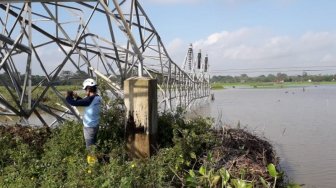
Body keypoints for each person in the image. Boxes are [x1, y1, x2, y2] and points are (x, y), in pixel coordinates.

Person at [66, 78, 102, 150]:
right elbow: (85, 102)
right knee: (94, 145)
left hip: (89, 128)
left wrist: (68, 96)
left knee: (90, 148)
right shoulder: (97, 97)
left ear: (88, 89)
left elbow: (74, 103)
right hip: (95, 126)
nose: (85, 91)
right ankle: (98, 158)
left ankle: (92, 161)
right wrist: (77, 97)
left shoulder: (90, 99)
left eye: (85, 90)